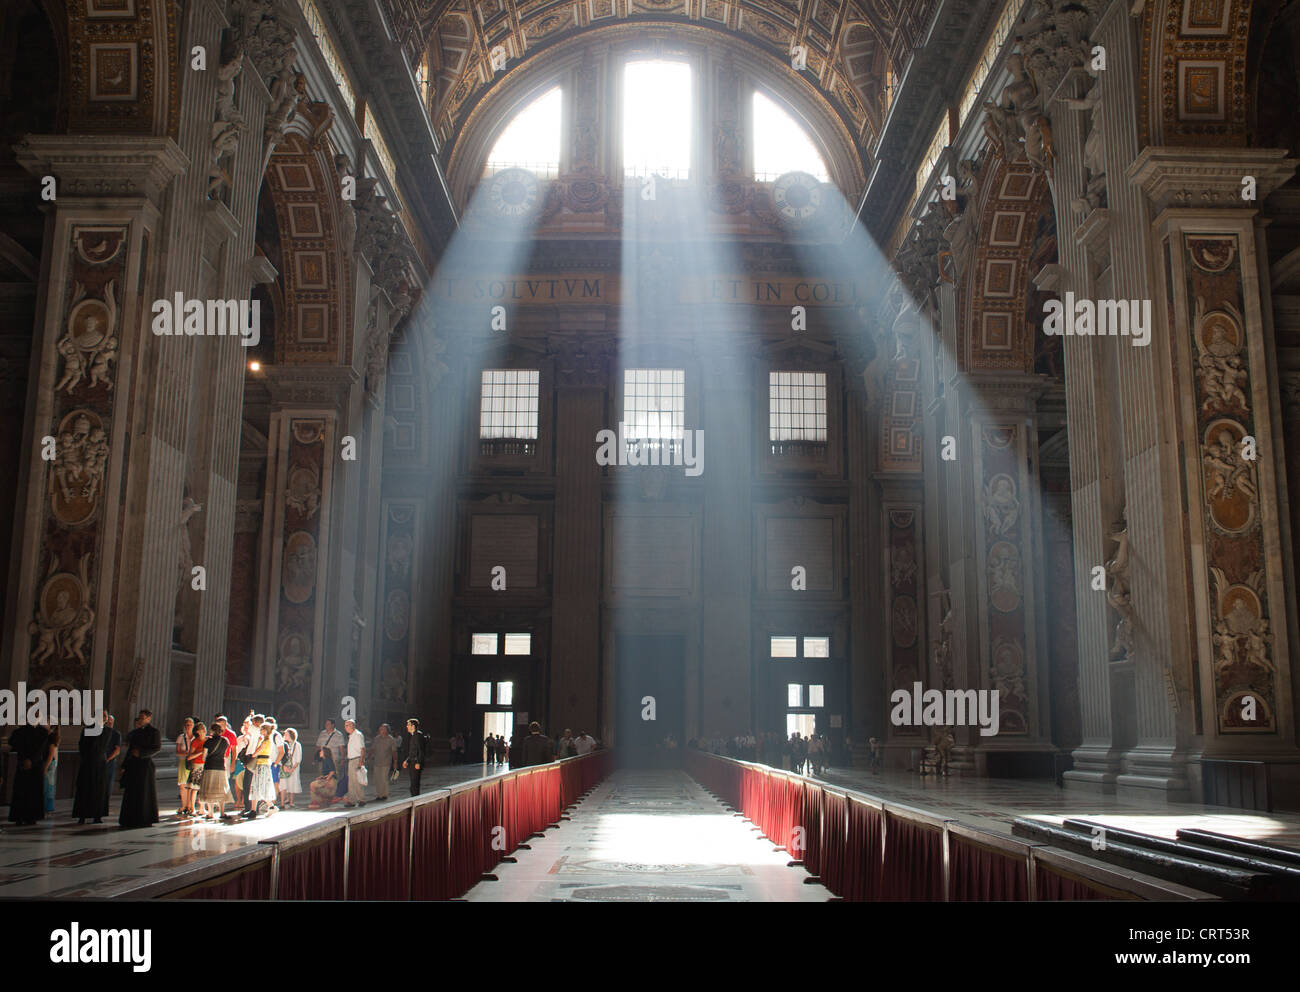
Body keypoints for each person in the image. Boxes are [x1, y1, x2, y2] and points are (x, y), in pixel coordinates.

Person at [119, 709, 161, 829]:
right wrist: (124, 765)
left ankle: (145, 818)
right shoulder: (136, 732)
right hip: (133, 765)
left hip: (145, 766)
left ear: (149, 719)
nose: (141, 720)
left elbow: (156, 748)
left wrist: (142, 753)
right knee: (131, 793)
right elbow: (131, 750)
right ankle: (130, 818)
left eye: (143, 718)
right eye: (140, 717)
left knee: (144, 792)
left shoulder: (154, 732)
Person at [7, 722, 50, 825]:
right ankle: (30, 817)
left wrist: (26, 759)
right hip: (34, 765)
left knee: (22, 791)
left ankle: (20, 817)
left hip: (24, 764)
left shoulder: (19, 732)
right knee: (30, 792)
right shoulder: (42, 732)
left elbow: (13, 743)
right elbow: (40, 749)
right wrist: (31, 760)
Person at [73, 711, 111, 824]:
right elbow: (83, 745)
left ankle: (97, 815)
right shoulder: (87, 730)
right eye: (102, 715)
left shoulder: (108, 731)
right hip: (88, 763)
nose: (104, 717)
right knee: (85, 789)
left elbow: (103, 745)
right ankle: (82, 815)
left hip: (100, 764)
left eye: (105, 716)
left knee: (99, 790)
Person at [198, 723, 230, 820]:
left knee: (209, 789)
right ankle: (222, 812)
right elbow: (225, 753)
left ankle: (210, 813)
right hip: (220, 767)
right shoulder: (225, 741)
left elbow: (204, 756)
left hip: (209, 766)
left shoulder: (208, 742)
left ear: (212, 730)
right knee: (221, 789)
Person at [247, 723, 276, 816]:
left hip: (262, 766)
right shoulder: (267, 741)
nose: (260, 731)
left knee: (259, 786)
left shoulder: (265, 742)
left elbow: (256, 752)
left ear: (266, 730)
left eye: (262, 729)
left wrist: (251, 756)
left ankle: (270, 806)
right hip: (263, 765)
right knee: (259, 786)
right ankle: (254, 810)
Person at [182, 723, 207, 816]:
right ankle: (192, 808)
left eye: (204, 728)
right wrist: (201, 752)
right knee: (195, 788)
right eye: (201, 729)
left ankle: (202, 808)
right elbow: (189, 757)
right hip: (197, 765)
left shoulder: (207, 740)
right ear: (197, 731)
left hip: (205, 765)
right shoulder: (195, 742)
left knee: (203, 788)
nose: (204, 730)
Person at [369, 724, 396, 801]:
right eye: (380, 729)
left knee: (384, 778)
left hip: (386, 762)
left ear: (387, 730)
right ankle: (379, 794)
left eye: (383, 729)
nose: (381, 730)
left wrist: (395, 762)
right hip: (377, 761)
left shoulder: (391, 739)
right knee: (377, 779)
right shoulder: (377, 738)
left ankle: (385, 794)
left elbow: (394, 751)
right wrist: (368, 758)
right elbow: (372, 749)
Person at [101, 715, 121, 816]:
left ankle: (104, 805)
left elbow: (117, 749)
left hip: (109, 762)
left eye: (111, 721)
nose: (109, 722)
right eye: (107, 721)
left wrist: (108, 759)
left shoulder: (116, 734)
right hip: (100, 761)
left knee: (108, 784)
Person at [401, 718, 427, 796]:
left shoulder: (418, 735)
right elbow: (413, 751)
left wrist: (418, 762)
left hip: (416, 763)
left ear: (413, 726)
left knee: (415, 784)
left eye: (408, 725)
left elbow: (421, 750)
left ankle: (415, 799)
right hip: (412, 762)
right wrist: (407, 760)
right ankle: (413, 797)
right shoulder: (413, 735)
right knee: (413, 783)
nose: (407, 726)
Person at [343, 719, 366, 807]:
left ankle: (361, 799)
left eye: (347, 725)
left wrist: (361, 761)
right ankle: (352, 800)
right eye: (345, 725)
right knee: (351, 782)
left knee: (357, 781)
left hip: (356, 759)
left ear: (352, 725)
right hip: (351, 760)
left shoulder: (357, 735)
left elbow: (362, 749)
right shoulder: (351, 735)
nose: (346, 727)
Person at [175, 717, 195, 814]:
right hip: (183, 762)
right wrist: (187, 753)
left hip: (194, 763)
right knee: (183, 784)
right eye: (187, 725)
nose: (189, 727)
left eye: (191, 725)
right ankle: (184, 805)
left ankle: (190, 805)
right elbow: (177, 752)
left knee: (192, 785)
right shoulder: (181, 737)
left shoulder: (196, 737)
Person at [278, 728, 302, 809]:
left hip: (293, 767)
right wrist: (283, 766)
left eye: (287, 735)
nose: (284, 736)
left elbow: (298, 758)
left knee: (292, 783)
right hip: (284, 766)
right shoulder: (283, 744)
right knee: (284, 784)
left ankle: (291, 801)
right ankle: (283, 801)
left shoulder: (297, 745)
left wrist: (292, 768)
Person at [42, 723, 59, 814]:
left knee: (47, 786)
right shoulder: (51, 737)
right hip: (51, 764)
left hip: (49, 764)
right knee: (48, 786)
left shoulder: (51, 738)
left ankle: (47, 807)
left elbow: (51, 755)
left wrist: (45, 767)